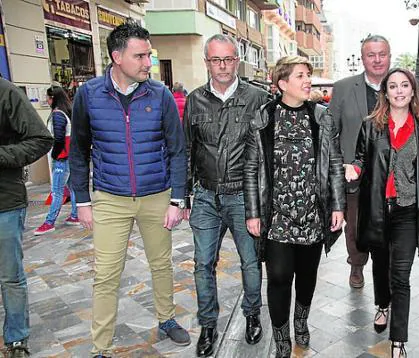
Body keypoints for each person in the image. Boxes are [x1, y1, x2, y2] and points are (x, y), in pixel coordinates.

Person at [69, 22, 190, 358]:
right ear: (116, 57)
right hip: (109, 198)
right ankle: (101, 347)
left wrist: (176, 199)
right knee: (106, 274)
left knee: (161, 264)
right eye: (140, 56)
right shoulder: (89, 95)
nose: (147, 63)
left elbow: (178, 149)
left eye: (148, 55)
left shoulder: (160, 94)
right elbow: (79, 151)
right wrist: (81, 200)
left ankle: (167, 319)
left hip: (156, 196)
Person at [344, 68, 419, 357]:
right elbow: (360, 160)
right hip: (378, 209)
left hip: (406, 211)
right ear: (386, 92)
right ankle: (382, 305)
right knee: (381, 266)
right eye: (393, 86)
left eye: (405, 85)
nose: (399, 90)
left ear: (413, 91)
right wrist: (353, 169)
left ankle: (398, 340)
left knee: (401, 276)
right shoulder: (371, 126)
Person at [244, 55, 345, 358]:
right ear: (282, 83)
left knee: (307, 275)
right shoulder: (263, 118)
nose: (307, 81)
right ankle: (281, 338)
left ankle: (301, 321)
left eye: (308, 75)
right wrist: (252, 212)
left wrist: (338, 206)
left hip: (312, 214)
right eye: (300, 75)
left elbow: (335, 164)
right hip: (276, 216)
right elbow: (250, 168)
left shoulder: (321, 117)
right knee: (277, 278)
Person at [183, 34, 267, 357]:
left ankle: (252, 314)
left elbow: (265, 154)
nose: (222, 66)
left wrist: (262, 199)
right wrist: (184, 196)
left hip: (243, 197)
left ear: (237, 61)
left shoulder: (257, 98)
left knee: (250, 261)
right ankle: (208, 325)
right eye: (216, 60)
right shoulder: (194, 101)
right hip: (205, 196)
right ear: (206, 62)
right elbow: (187, 149)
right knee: (203, 263)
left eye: (229, 59)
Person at [329, 34, 392, 289]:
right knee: (354, 225)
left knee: (388, 225)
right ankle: (357, 263)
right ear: (362, 58)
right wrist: (337, 167)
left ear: (389, 55)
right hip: (353, 173)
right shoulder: (344, 87)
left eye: (382, 54)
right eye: (371, 55)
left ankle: (385, 268)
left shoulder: (400, 85)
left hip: (389, 174)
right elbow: (331, 130)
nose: (377, 60)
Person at [0, 77, 53, 358]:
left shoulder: (5, 93)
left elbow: (41, 139)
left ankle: (16, 339)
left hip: (4, 203)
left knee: (10, 276)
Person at [34, 86, 79, 235]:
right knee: (72, 188)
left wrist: (55, 155)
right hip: (69, 156)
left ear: (52, 98)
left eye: (47, 97)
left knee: (57, 191)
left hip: (62, 158)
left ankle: (49, 222)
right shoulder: (66, 111)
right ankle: (75, 215)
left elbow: (59, 138)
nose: (46, 100)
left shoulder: (58, 114)